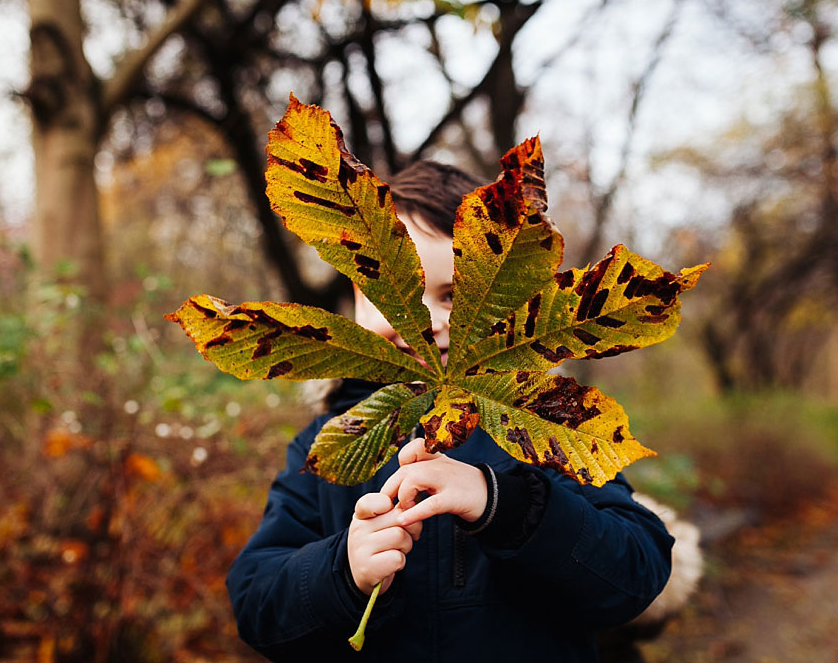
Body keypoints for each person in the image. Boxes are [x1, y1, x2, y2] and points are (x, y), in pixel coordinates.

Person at [225, 161, 677, 662]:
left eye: (453, 297)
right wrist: (342, 571)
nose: (430, 321)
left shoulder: (543, 426)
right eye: (396, 295)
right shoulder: (328, 443)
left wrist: (505, 503)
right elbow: (255, 604)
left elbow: (638, 568)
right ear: (357, 300)